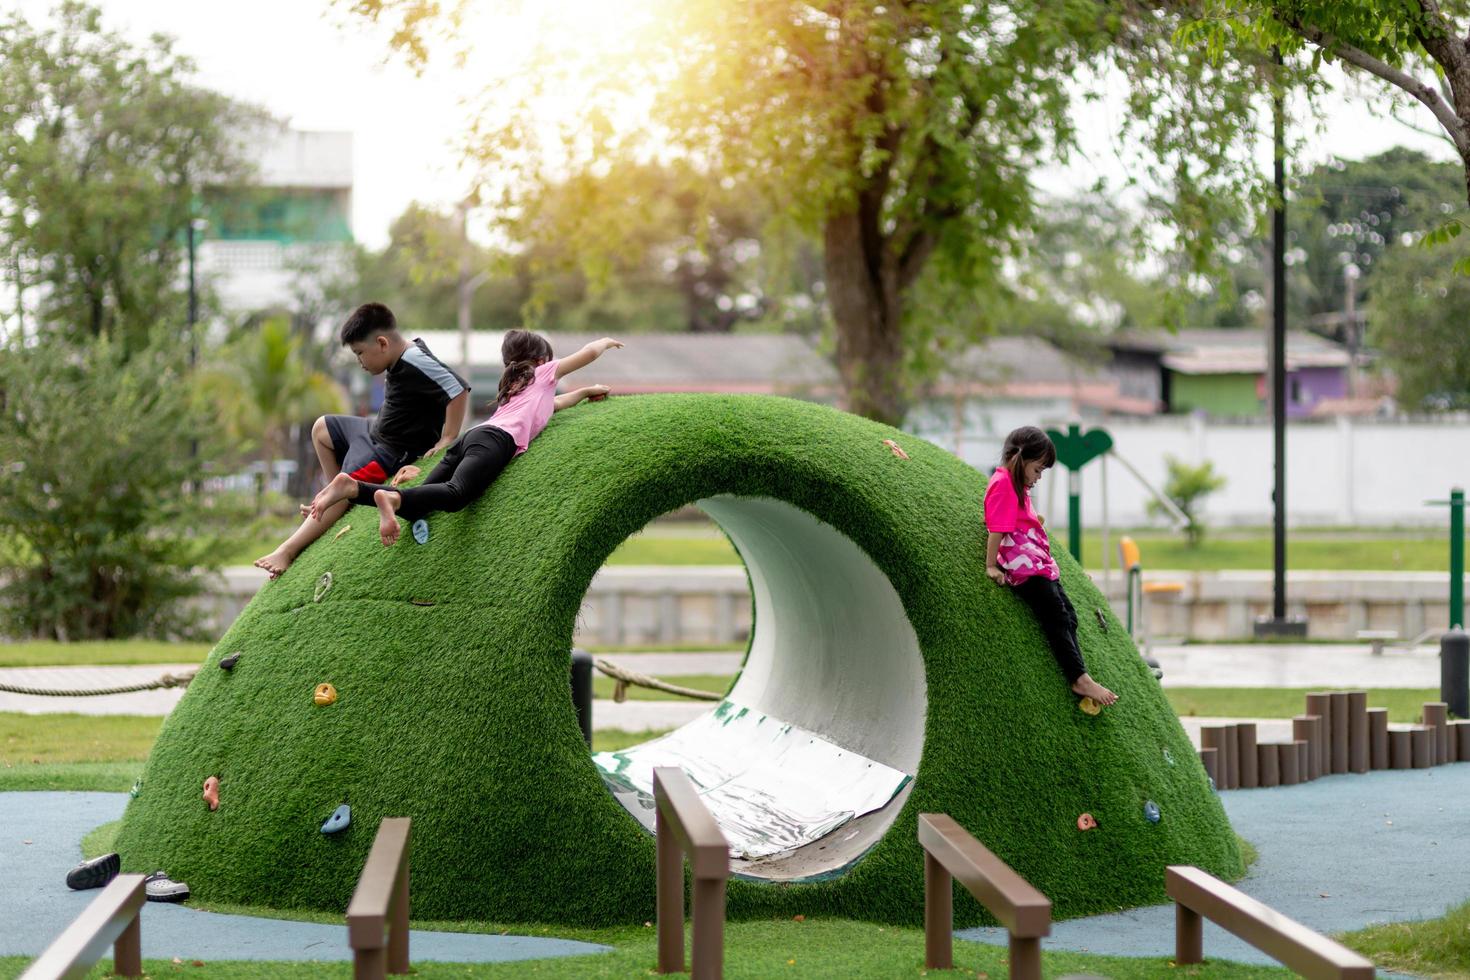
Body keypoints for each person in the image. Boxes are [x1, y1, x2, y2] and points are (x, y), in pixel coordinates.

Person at [308, 330, 622, 546]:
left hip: (469, 439)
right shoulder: (543, 373)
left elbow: (553, 405)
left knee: (420, 505)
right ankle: (388, 497)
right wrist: (605, 342)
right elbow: (586, 353)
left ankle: (352, 487)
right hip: (495, 442)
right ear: (541, 361)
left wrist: (584, 392)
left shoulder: (515, 389)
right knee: (456, 495)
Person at [254, 302, 469, 578]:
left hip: (391, 450)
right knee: (321, 429)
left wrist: (448, 437)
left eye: (360, 354)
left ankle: (288, 548)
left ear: (381, 343)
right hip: (373, 431)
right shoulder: (401, 353)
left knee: (345, 485)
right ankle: (335, 498)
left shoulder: (416, 359)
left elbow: (457, 388)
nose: (360, 362)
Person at [984, 426, 1118, 708]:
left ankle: (1080, 673)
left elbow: (1015, 516)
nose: (1038, 477)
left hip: (1034, 560)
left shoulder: (1013, 484)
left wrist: (1032, 520)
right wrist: (991, 566)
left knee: (1068, 614)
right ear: (1019, 458)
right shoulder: (1004, 484)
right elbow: (996, 528)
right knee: (1056, 615)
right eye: (1037, 469)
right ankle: (1078, 677)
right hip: (1025, 566)